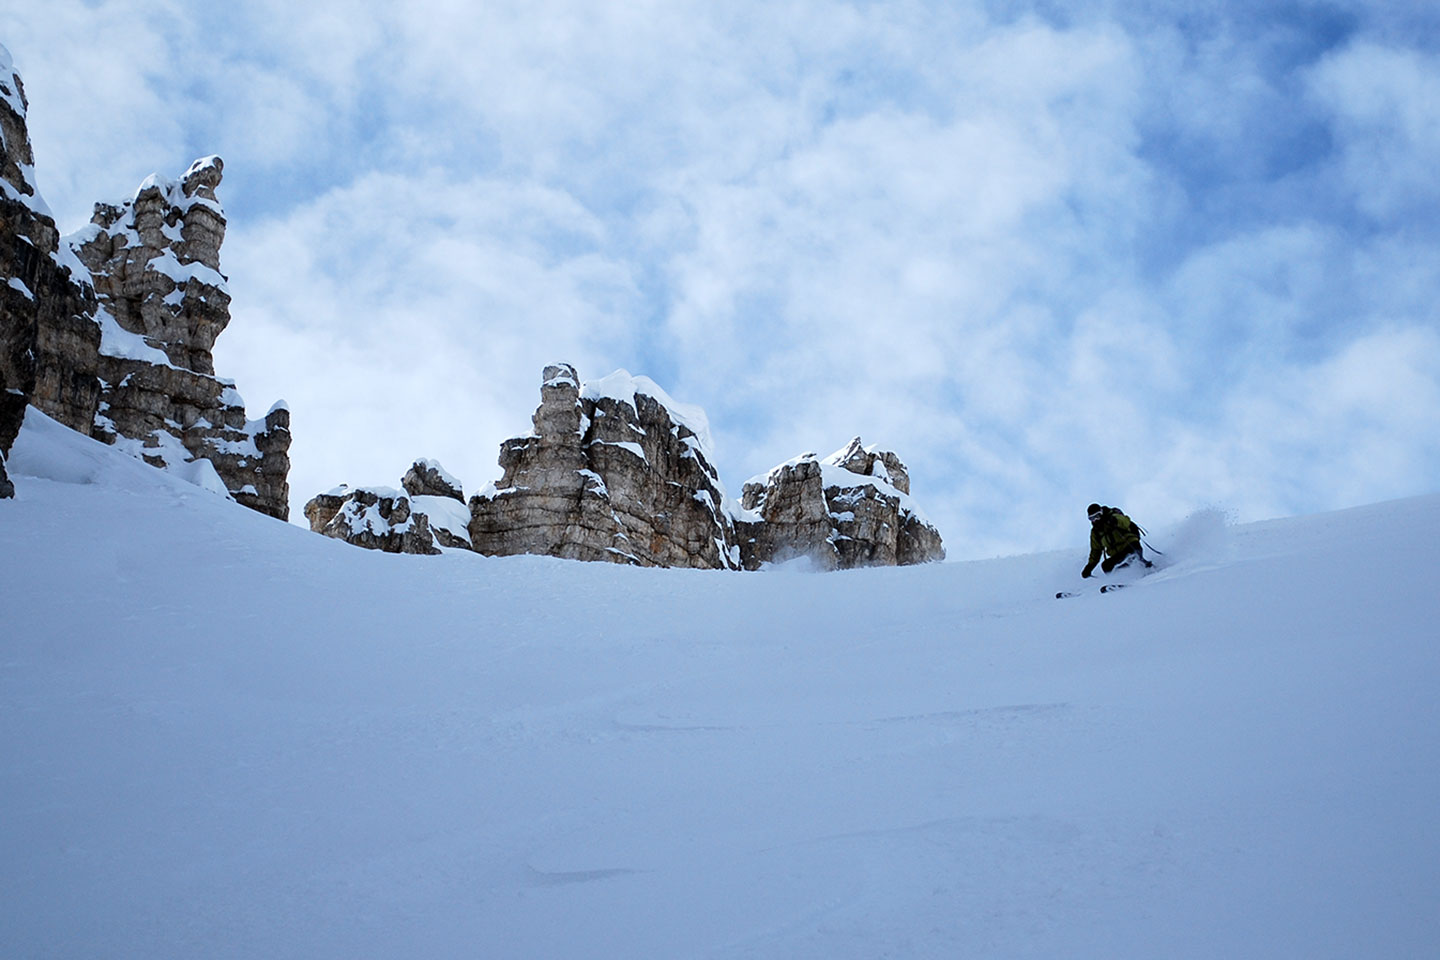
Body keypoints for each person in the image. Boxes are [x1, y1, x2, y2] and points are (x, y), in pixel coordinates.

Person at [1081, 502, 1153, 578]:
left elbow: (1125, 522)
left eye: (1097, 516)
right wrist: (1089, 567)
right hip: (1117, 555)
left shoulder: (1113, 516)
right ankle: (1122, 580)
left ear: (1101, 513)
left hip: (1131, 546)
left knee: (1132, 557)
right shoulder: (1096, 532)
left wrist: (1114, 521)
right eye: (1092, 518)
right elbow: (1096, 550)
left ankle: (1145, 569)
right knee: (1106, 566)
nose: (1095, 520)